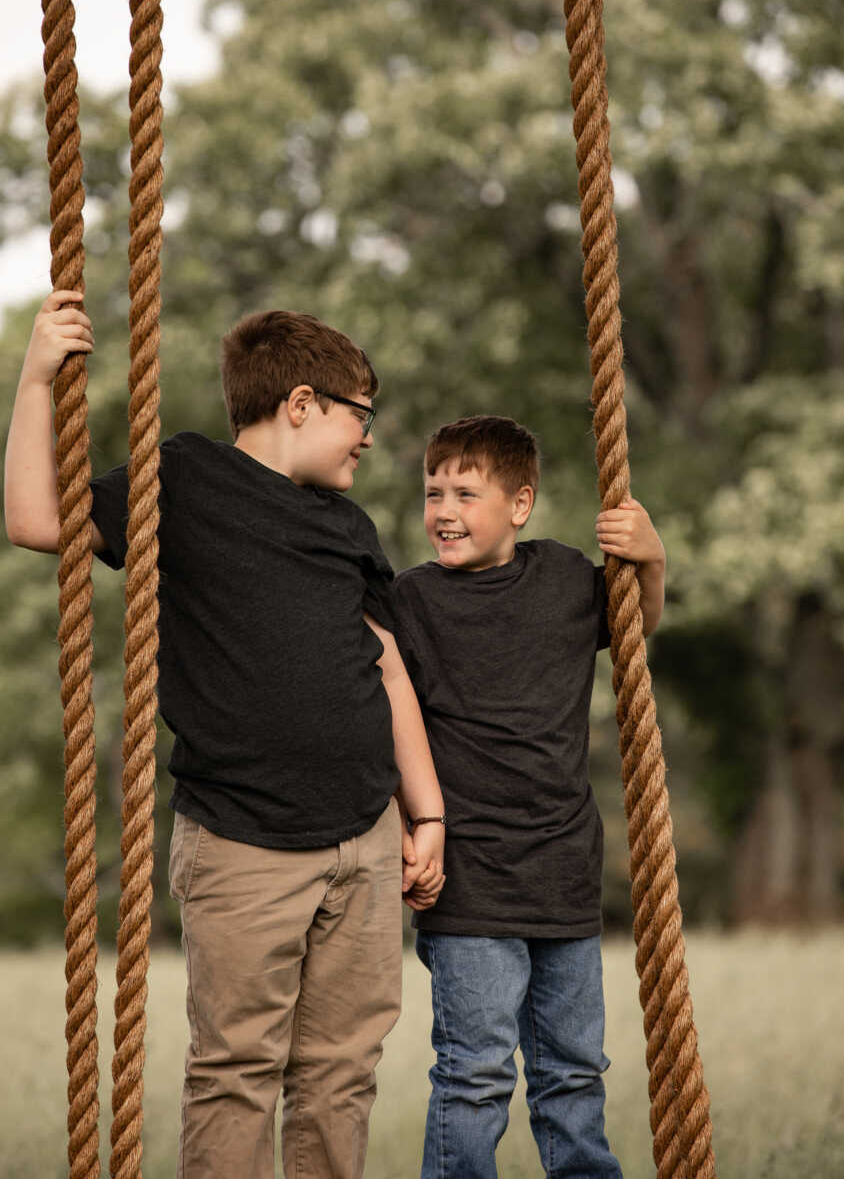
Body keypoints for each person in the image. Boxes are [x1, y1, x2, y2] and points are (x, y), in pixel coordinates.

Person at [4, 289, 445, 1179]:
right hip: (244, 843)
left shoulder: (348, 526)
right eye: (362, 415)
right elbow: (36, 522)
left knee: (338, 1077)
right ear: (301, 405)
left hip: (362, 838)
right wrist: (36, 376)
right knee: (238, 1072)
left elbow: (388, 670)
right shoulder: (187, 480)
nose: (369, 435)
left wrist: (422, 815)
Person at [392, 414, 667, 1179]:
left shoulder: (563, 579)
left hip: (565, 870)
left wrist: (651, 562)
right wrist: (410, 829)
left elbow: (636, 629)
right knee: (475, 1076)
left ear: (520, 504)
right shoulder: (410, 602)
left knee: (574, 1073)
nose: (443, 510)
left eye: (465, 493)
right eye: (433, 492)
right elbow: (385, 723)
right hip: (471, 878)